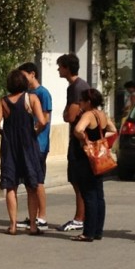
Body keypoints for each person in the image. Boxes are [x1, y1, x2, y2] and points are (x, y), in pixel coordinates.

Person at [0, 68, 48, 235]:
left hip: (10, 147)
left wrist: (5, 133)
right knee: (32, 185)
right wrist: (34, 132)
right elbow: (42, 121)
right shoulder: (31, 98)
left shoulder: (3, 102)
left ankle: (13, 225)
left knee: (11, 186)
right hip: (28, 145)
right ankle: (32, 225)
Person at [70, 88, 116, 243]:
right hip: (99, 158)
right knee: (98, 195)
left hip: (86, 158)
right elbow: (113, 130)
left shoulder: (88, 115)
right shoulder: (102, 115)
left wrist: (84, 140)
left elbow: (78, 129)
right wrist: (101, 141)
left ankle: (88, 232)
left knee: (88, 194)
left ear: (88, 102)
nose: (80, 103)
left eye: (82, 101)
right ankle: (98, 230)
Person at [56, 53, 91, 232]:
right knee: (78, 179)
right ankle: (82, 216)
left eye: (60, 67)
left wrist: (67, 113)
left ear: (67, 68)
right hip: (81, 139)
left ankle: (80, 217)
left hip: (78, 140)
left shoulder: (76, 88)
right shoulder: (80, 85)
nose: (58, 70)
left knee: (78, 179)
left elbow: (69, 116)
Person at [16, 62, 52, 230]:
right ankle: (33, 216)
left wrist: (32, 135)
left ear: (32, 74)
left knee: (37, 181)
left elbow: (44, 120)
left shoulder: (43, 94)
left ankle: (42, 216)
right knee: (30, 182)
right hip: (27, 145)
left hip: (39, 144)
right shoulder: (26, 94)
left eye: (24, 75)